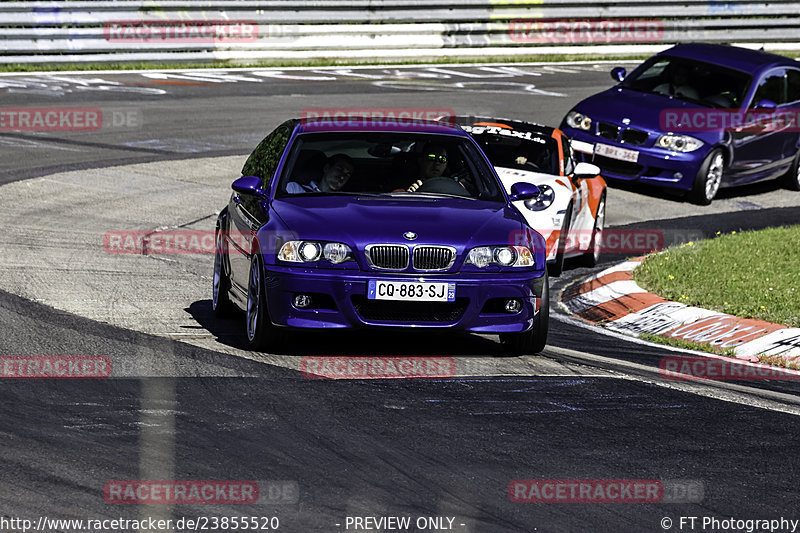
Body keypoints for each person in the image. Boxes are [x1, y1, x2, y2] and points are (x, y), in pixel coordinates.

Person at [286, 153, 354, 194]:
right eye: (340, 169)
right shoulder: (294, 189)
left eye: (348, 174)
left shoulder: (345, 200)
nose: (342, 177)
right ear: (326, 168)